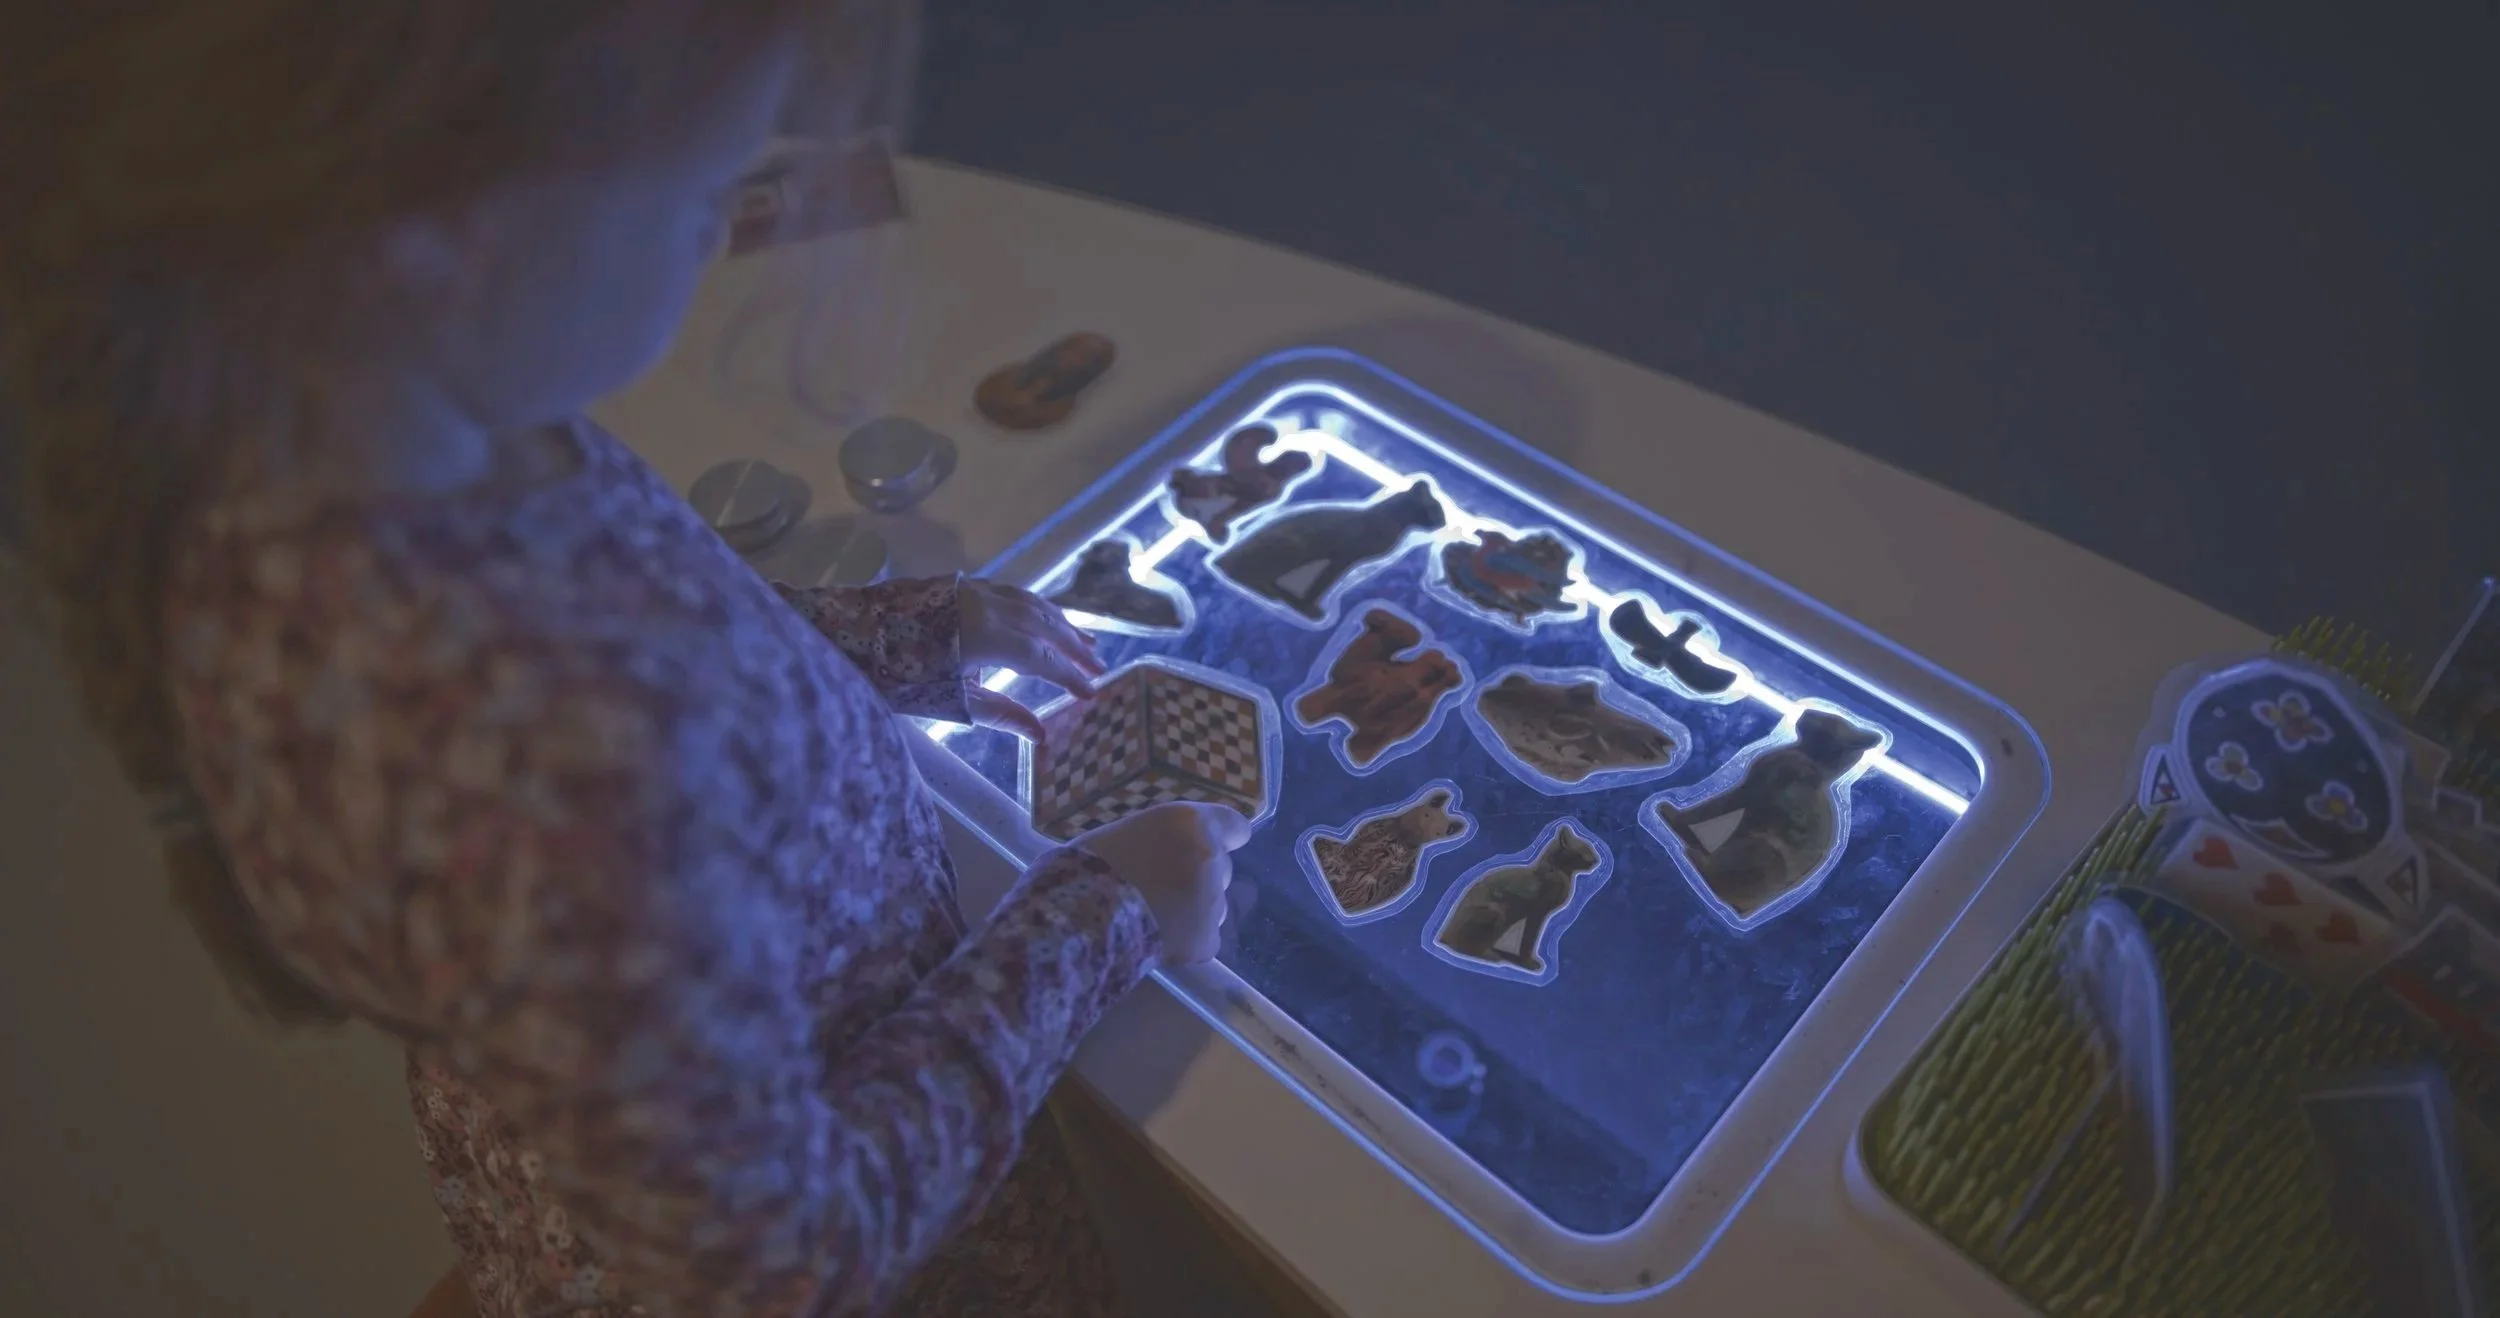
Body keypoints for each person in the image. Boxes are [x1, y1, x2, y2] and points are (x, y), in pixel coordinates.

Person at [0, 4, 1250, 1316]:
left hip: (662, 1097)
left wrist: (909, 636)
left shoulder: (361, 439)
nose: (720, 232)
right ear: (438, 246)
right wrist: (1105, 911)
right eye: (698, 196)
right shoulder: (534, 764)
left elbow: (668, 614)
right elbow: (790, 1255)